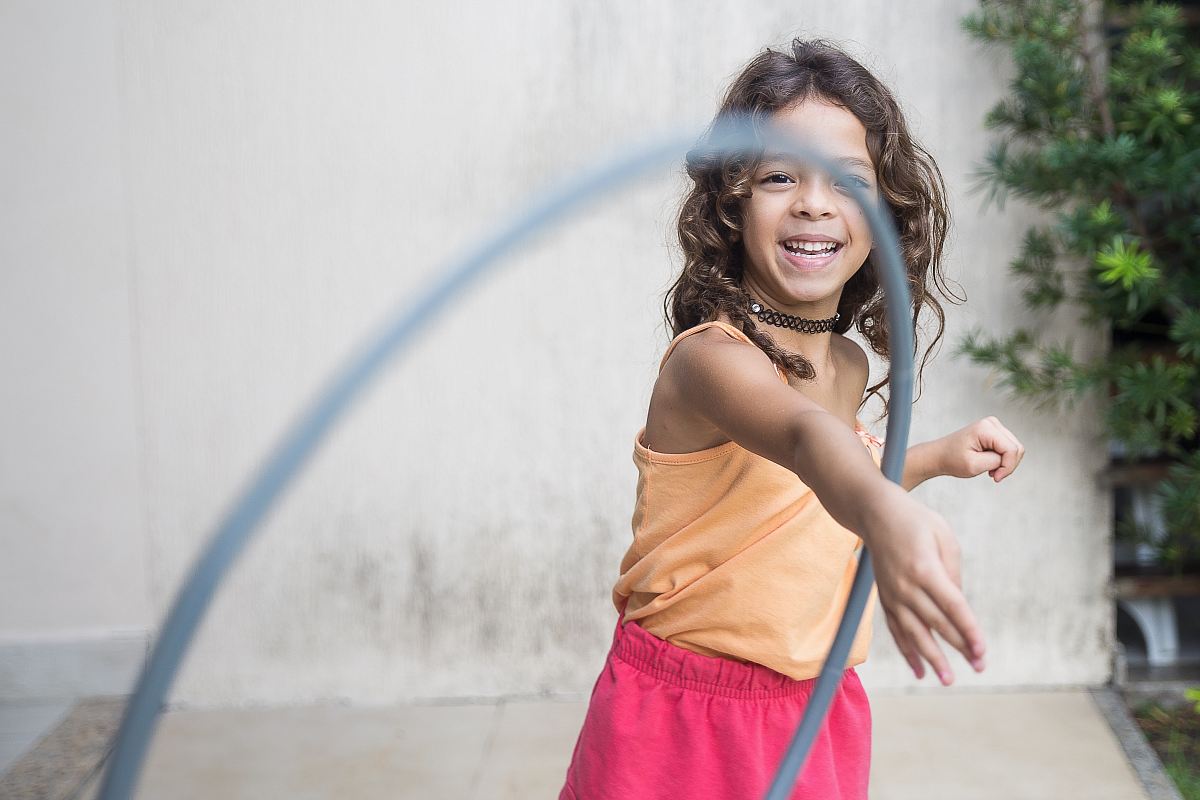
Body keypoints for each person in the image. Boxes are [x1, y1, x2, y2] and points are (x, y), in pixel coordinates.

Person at [557, 38, 1026, 800]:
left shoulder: (845, 364)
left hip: (813, 705)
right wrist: (889, 518)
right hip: (681, 713)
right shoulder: (711, 362)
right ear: (732, 204)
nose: (813, 201)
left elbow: (813, 488)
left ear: (886, 213)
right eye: (780, 176)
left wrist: (933, 457)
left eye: (848, 181)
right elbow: (805, 442)